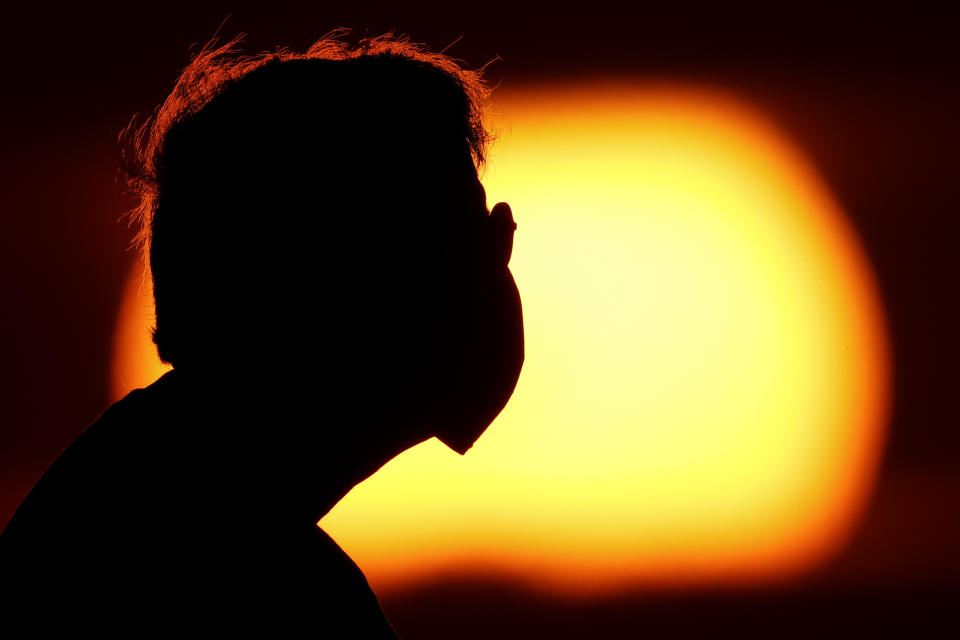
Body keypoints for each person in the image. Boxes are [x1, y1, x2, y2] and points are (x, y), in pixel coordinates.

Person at [0, 33, 524, 636]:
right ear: (342, 276)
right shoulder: (256, 586)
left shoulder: (134, 494)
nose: (496, 256)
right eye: (467, 233)